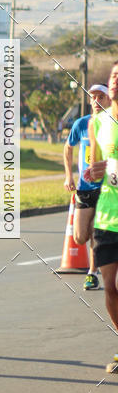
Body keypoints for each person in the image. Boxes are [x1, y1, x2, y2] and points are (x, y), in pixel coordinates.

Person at [87, 63, 118, 373]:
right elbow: (98, 169)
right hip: (108, 216)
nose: (116, 81)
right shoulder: (98, 123)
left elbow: (112, 167)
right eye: (114, 76)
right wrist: (93, 173)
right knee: (109, 287)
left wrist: (110, 167)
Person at [63, 84, 110, 290]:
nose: (97, 100)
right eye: (93, 97)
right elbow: (68, 147)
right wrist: (68, 176)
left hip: (107, 189)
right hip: (84, 188)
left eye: (101, 96)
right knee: (81, 236)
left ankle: (92, 273)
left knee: (96, 232)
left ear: (109, 100)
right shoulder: (81, 124)